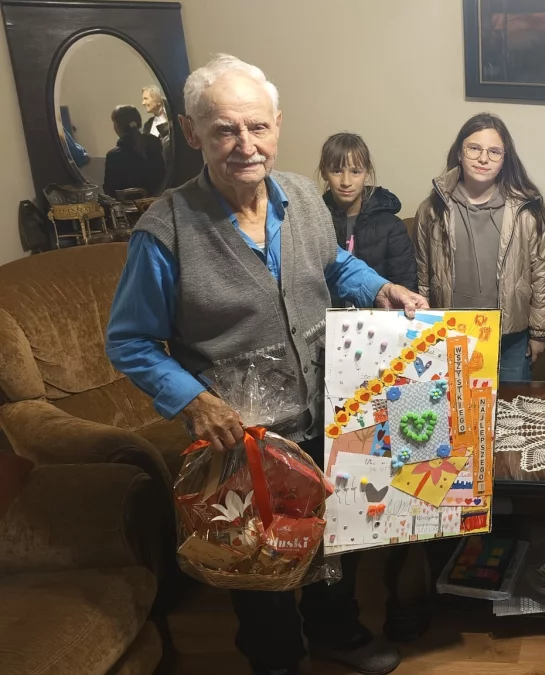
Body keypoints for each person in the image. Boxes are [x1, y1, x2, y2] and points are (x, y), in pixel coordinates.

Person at [106, 54, 428, 675]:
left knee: (333, 536)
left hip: (327, 409)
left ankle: (336, 632)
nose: (245, 145)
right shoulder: (164, 230)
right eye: (224, 129)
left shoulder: (304, 197)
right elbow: (130, 341)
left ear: (278, 125)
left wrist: (381, 287)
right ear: (191, 131)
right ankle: (275, 660)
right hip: (242, 436)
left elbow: (334, 265)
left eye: (257, 126)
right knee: (259, 559)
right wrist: (194, 401)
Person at [413, 113, 545, 381]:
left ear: (505, 160)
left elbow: (542, 276)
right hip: (450, 331)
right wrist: (422, 324)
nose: (483, 158)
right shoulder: (432, 210)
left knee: (511, 401)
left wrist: (540, 333)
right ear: (459, 153)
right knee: (453, 403)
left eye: (494, 152)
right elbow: (422, 274)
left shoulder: (526, 212)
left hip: (510, 335)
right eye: (474, 148)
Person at [318, 132, 417, 293]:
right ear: (324, 173)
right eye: (336, 171)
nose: (346, 182)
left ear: (367, 172)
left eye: (355, 172)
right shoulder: (314, 224)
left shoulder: (391, 226)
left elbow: (406, 288)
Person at [103, 105, 165, 196]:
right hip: (157, 200)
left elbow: (110, 190)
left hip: (127, 204)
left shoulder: (113, 156)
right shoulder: (155, 144)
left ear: (117, 125)